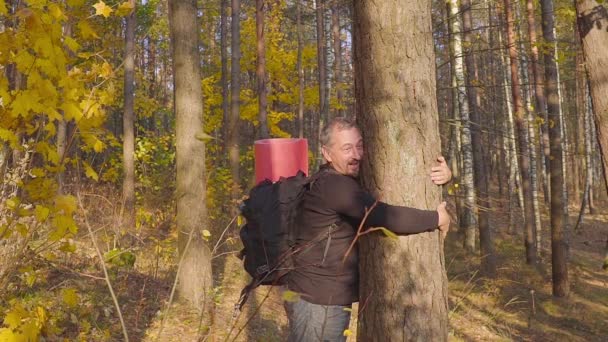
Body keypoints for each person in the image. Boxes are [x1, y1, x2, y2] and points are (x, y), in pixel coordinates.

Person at [284, 117, 451, 341]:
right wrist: (436, 217)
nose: (357, 154)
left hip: (317, 296)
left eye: (359, 145)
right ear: (326, 153)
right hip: (318, 301)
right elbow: (384, 216)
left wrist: (445, 177)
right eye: (346, 148)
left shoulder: (336, 179)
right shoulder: (334, 186)